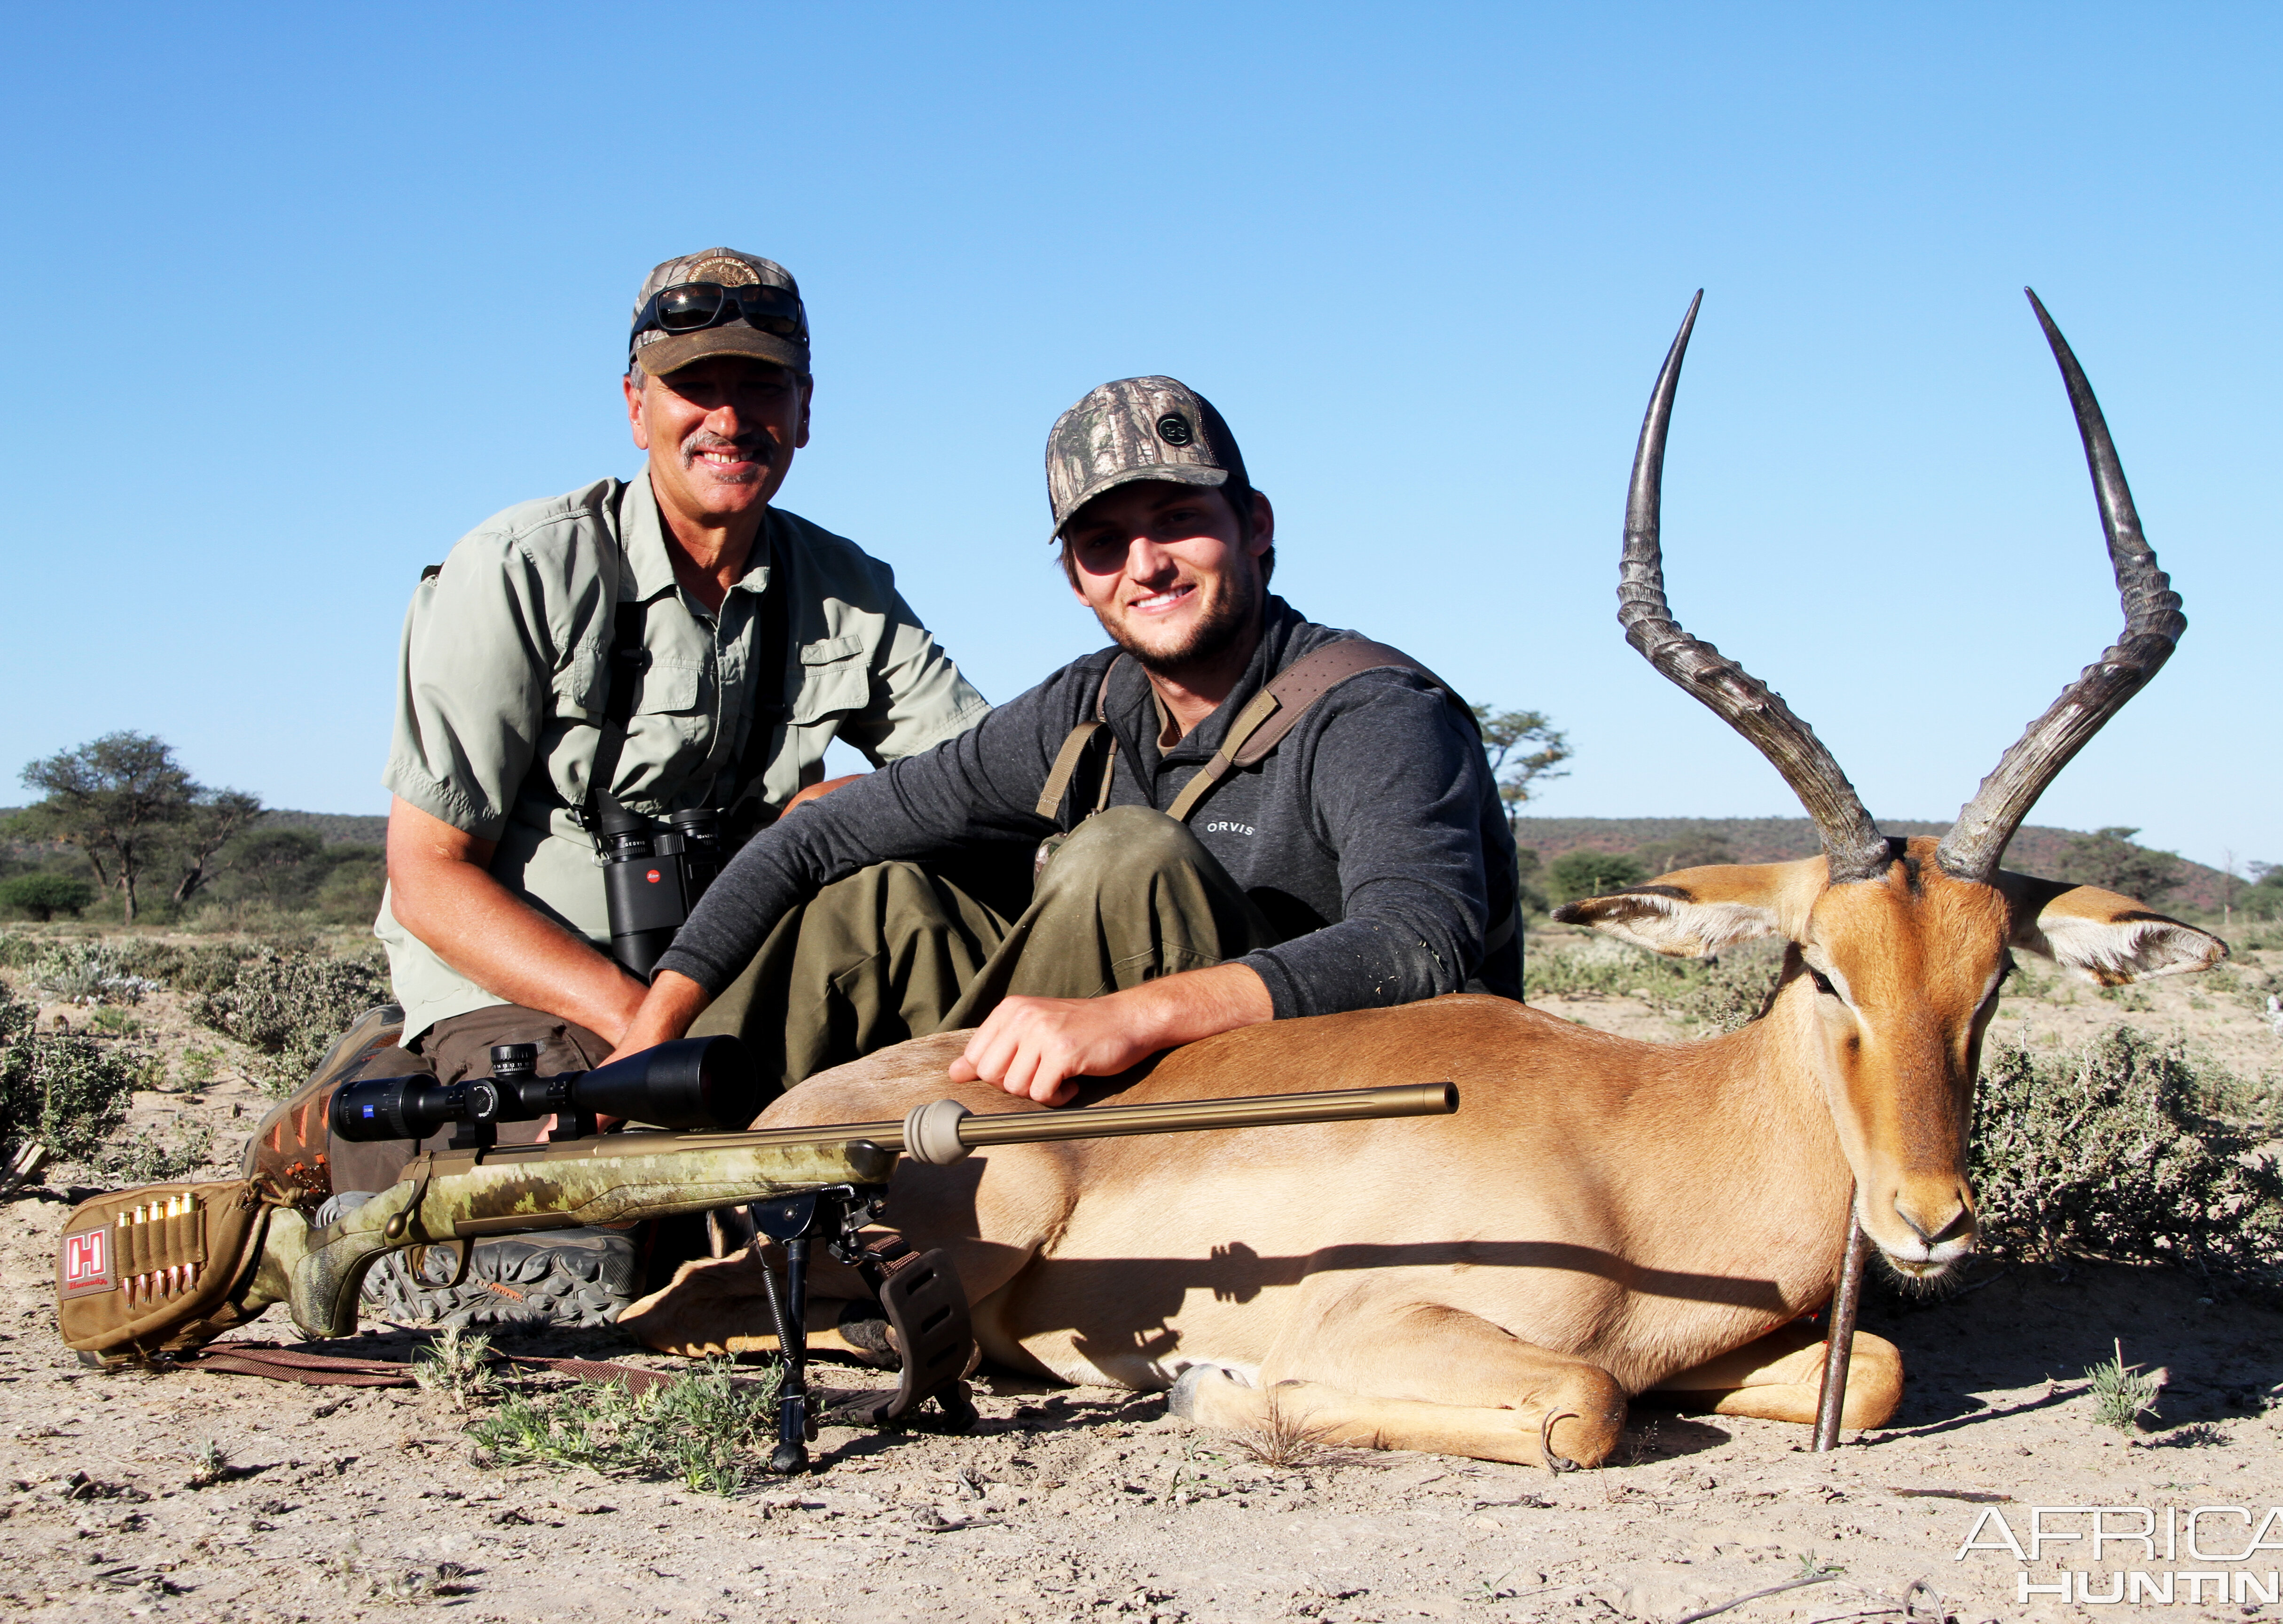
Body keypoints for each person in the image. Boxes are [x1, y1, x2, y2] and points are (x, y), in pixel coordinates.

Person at [253, 247, 989, 1325]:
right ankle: (361, 1117)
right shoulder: (515, 568)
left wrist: (849, 814)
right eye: (696, 388)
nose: (729, 420)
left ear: (806, 409)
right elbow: (428, 875)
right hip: (545, 990)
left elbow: (977, 780)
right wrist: (636, 1021)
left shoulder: (849, 590)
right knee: (583, 1262)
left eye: (762, 388)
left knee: (822, 1190)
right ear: (637, 404)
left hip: (718, 980)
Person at [612, 375, 1520, 1109]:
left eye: (1178, 521)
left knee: (1127, 857)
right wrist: (651, 1029)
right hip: (1128, 1092)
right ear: (1077, 581)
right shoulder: (1083, 708)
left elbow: (1419, 940)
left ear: (1257, 527)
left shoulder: (1373, 708)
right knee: (881, 901)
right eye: (1103, 543)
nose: (1147, 566)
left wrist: (1137, 1016)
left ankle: (950, 1225)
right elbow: (815, 841)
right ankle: (663, 1182)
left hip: (1337, 1112)